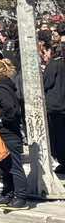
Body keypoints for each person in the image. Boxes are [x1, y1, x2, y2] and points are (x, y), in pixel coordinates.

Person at [0, 57, 35, 209]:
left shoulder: (2, 89)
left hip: (8, 134)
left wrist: (0, 121)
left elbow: (13, 111)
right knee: (4, 166)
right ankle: (8, 193)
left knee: (14, 165)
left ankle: (20, 197)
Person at [42, 33, 65, 181]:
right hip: (60, 104)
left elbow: (46, 83)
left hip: (56, 105)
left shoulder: (54, 64)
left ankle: (62, 160)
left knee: (58, 137)